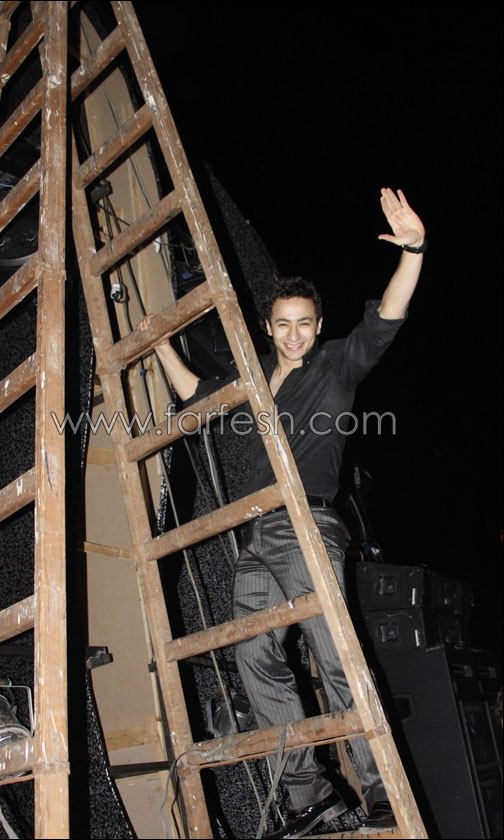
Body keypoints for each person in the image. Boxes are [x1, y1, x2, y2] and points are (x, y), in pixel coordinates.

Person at [138, 188, 426, 838]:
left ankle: (379, 785)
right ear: (268, 328)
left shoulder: (334, 368)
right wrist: (158, 342)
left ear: (318, 327)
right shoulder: (250, 380)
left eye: (304, 323)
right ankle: (308, 794)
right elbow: (195, 393)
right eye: (283, 324)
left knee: (332, 654)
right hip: (255, 536)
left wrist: (413, 250)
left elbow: (386, 319)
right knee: (254, 657)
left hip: (307, 526)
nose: (294, 334)